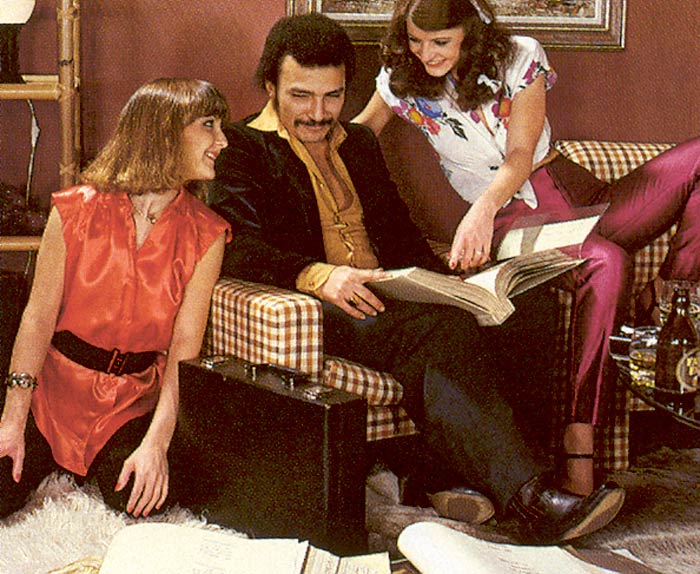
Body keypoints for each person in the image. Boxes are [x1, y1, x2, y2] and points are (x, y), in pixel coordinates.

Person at [210, 12, 625, 545]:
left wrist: (455, 283)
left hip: (387, 292)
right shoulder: (241, 146)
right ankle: (531, 500)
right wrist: (318, 275)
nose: (318, 113)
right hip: (319, 305)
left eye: (333, 96)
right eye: (300, 96)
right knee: (440, 332)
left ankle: (458, 475)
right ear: (270, 86)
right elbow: (235, 246)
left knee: (524, 307)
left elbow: (400, 234)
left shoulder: (358, 143)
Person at [354, 0, 700, 497]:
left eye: (441, 42)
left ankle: (671, 298)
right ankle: (579, 441)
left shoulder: (520, 56)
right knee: (606, 260)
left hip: (577, 194)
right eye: (415, 40)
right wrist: (290, 144)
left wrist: (479, 209)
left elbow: (521, 152)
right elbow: (358, 135)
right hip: (515, 222)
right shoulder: (401, 79)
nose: (426, 54)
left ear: (470, 31)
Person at [0, 78, 231, 519]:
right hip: (51, 394)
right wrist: (13, 420)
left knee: (142, 500)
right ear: (164, 131)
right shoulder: (74, 209)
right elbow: (37, 318)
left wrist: (156, 444)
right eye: (208, 125)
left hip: (129, 405)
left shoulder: (208, 233)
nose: (221, 140)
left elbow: (183, 352)